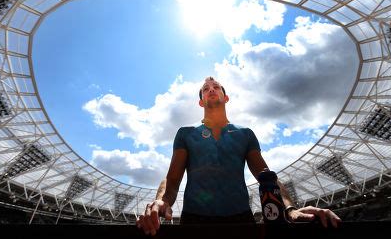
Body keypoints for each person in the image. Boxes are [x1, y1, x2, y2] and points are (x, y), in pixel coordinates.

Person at [136, 77, 341, 235]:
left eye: (216, 87)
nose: (211, 90)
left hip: (241, 219)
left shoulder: (245, 134)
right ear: (201, 102)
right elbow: (172, 181)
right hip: (194, 221)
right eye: (206, 89)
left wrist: (290, 209)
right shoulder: (186, 133)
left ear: (226, 97)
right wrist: (161, 201)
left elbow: (268, 177)